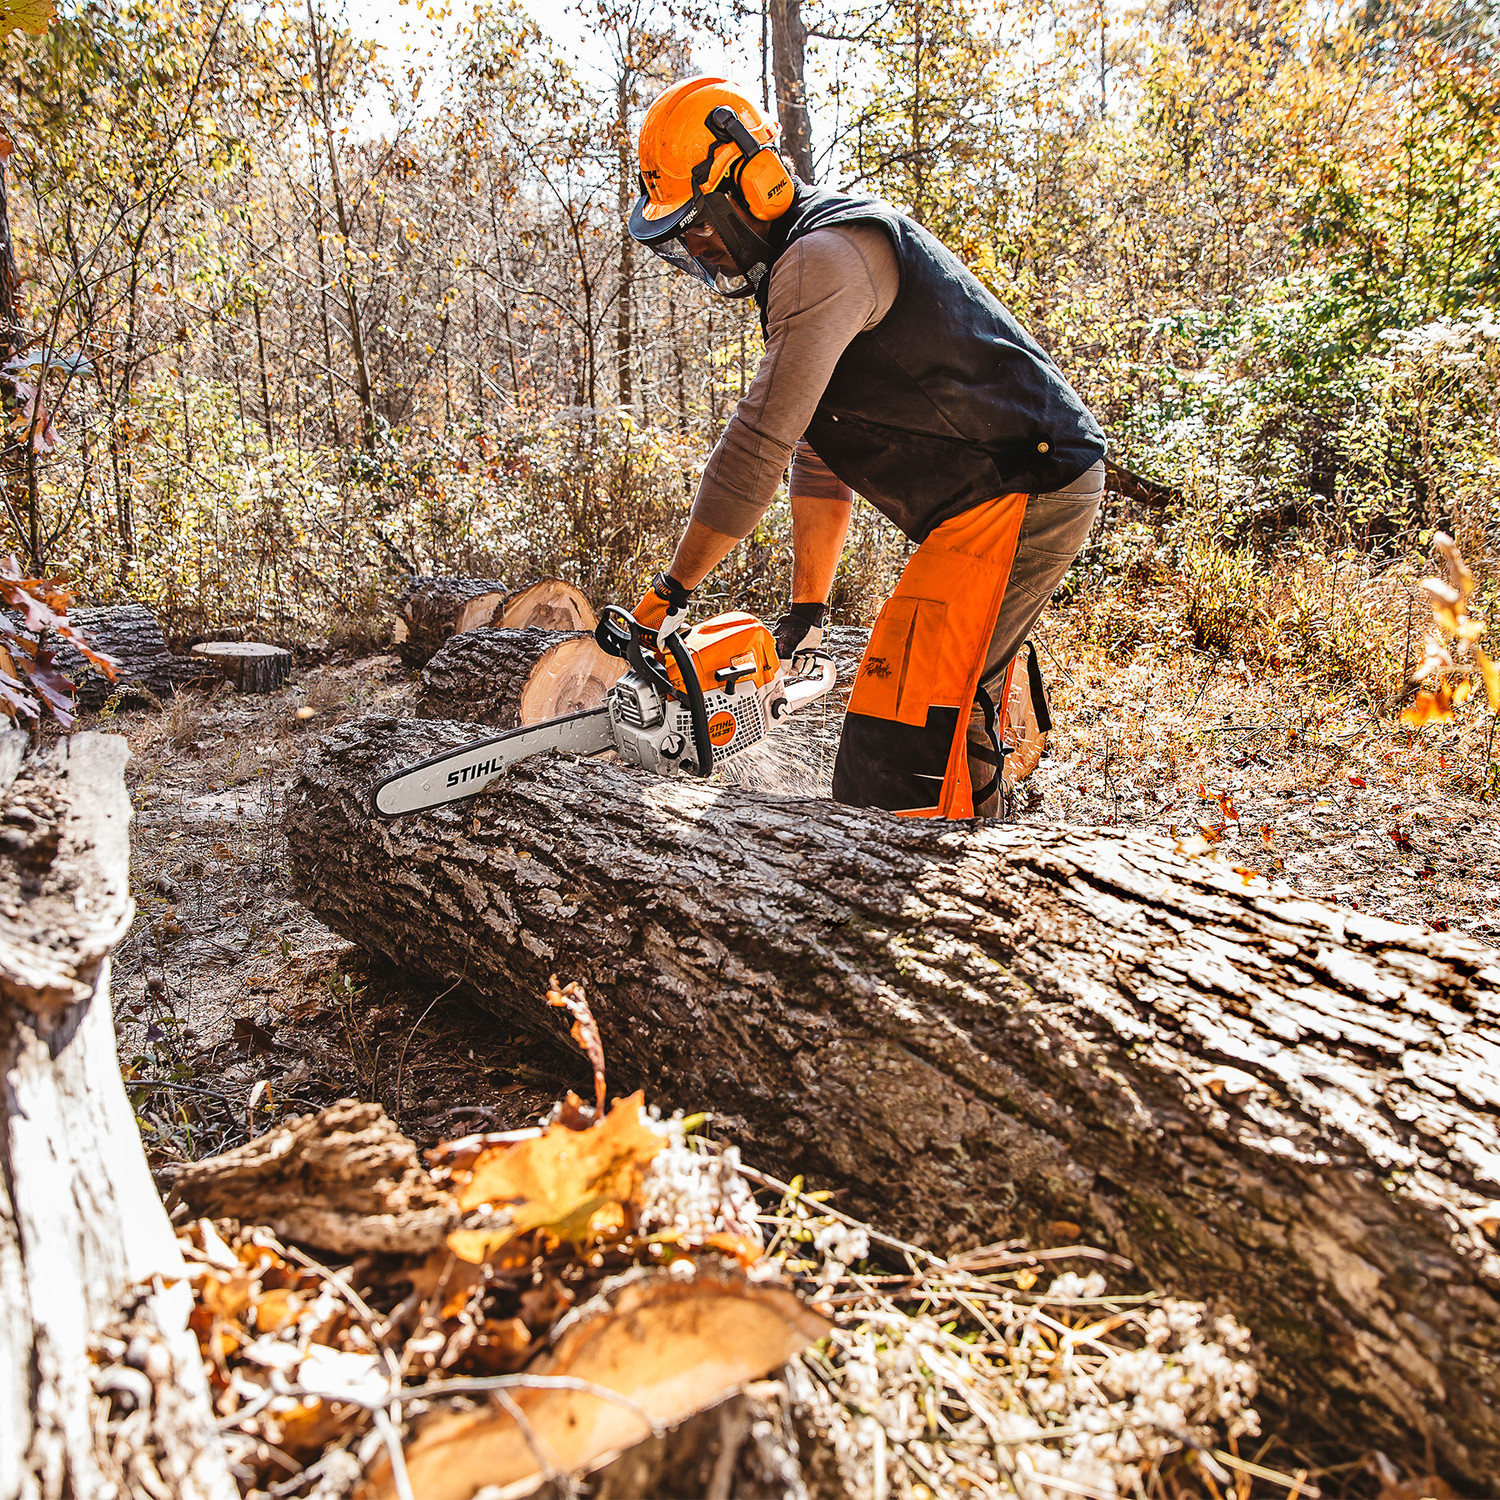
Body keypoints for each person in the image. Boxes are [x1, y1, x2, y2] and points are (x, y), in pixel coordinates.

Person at [627, 76, 1106, 819]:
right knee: (917, 704)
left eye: (698, 228)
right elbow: (821, 453)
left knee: (898, 754)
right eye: (681, 237)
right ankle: (990, 800)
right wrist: (809, 606)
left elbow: (757, 446)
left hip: (1022, 485)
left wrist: (670, 592)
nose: (698, 250)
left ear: (749, 187)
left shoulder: (823, 258)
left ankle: (967, 870)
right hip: (987, 500)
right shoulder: (801, 266)